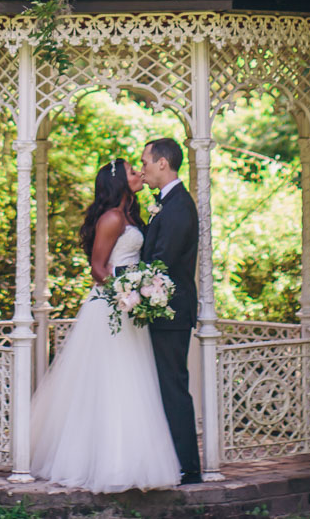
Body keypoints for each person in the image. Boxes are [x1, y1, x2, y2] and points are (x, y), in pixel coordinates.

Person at [27, 158, 182, 492]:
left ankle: (131, 461)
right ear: (118, 182)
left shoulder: (131, 216)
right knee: (109, 381)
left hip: (131, 309)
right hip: (111, 308)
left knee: (132, 381)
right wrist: (127, 292)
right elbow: (97, 269)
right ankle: (102, 464)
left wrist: (140, 291)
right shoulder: (112, 218)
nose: (140, 174)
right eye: (132, 171)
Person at [137, 136, 203, 484]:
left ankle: (189, 468)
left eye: (146, 161)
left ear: (163, 163)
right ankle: (169, 459)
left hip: (171, 312)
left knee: (173, 387)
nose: (143, 168)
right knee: (163, 385)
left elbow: (160, 263)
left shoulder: (178, 207)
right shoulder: (167, 202)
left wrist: (126, 284)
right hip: (161, 311)